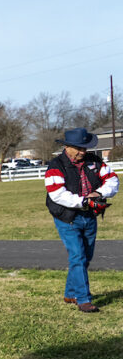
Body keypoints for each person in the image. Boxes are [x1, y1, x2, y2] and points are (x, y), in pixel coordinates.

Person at [44, 127, 119, 313]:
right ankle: (83, 299)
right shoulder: (55, 166)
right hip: (67, 217)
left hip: (90, 216)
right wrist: (85, 201)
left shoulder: (95, 162)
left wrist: (98, 193)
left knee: (85, 257)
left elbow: (113, 180)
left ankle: (70, 293)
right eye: (78, 148)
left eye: (84, 148)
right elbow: (57, 195)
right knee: (77, 256)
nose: (82, 152)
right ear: (67, 147)